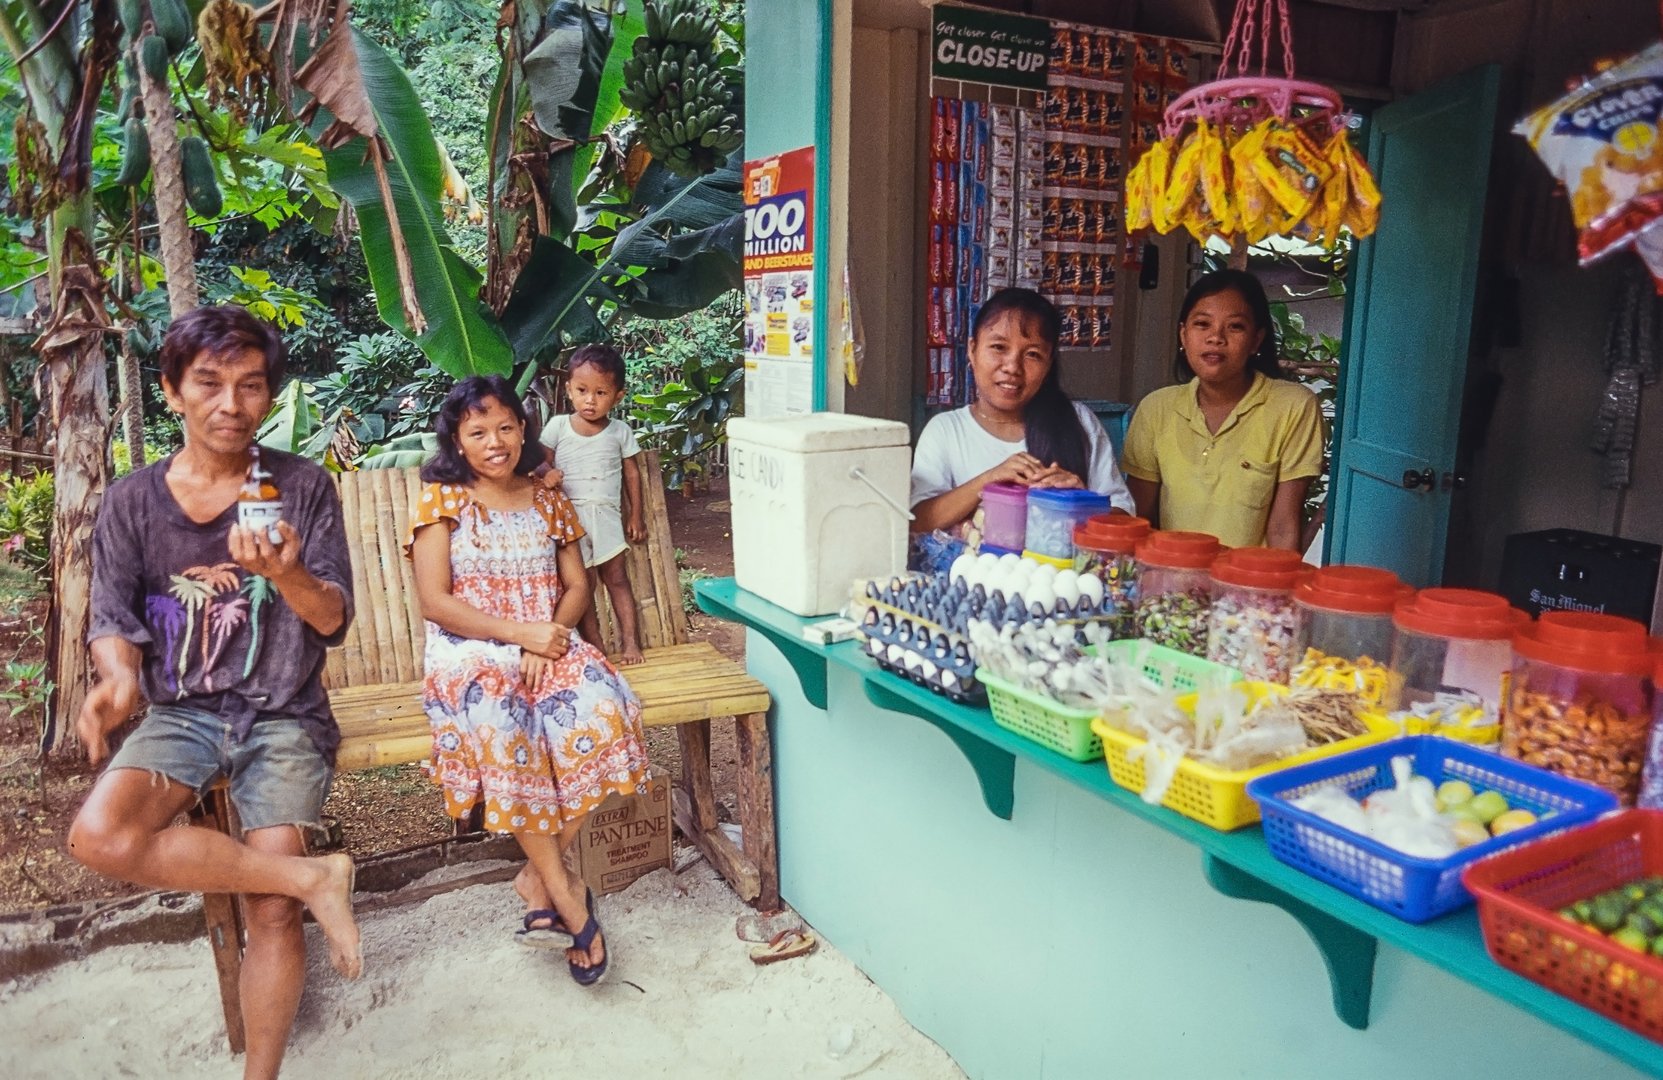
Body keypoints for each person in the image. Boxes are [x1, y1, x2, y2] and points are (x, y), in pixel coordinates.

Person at [68, 305, 362, 1080]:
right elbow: (113, 616)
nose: (231, 404)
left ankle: (257, 1075)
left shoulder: (300, 489)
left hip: (285, 716)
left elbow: (332, 620)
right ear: (172, 392)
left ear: (267, 397)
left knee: (266, 908)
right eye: (208, 384)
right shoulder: (134, 500)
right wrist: (118, 677)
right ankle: (314, 878)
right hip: (184, 715)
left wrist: (286, 574)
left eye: (250, 386)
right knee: (98, 836)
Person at [407, 375, 650, 987]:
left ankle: (534, 878)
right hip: (470, 649)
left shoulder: (548, 499)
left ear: (524, 429)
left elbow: (578, 585)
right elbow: (436, 602)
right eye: (478, 432)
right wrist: (520, 636)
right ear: (458, 441)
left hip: (549, 638)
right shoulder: (441, 500)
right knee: (499, 716)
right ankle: (569, 899)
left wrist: (551, 635)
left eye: (507, 427)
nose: (496, 442)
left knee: (604, 708)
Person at [1121, 269, 1325, 551]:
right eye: (1202, 324)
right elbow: (1137, 517)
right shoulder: (1156, 408)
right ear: (1183, 334)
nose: (1216, 337)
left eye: (1235, 326)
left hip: (1248, 586)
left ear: (1256, 340)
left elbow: (1282, 528)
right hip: (1171, 582)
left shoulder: (1293, 406)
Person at [910, 287, 1135, 535]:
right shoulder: (946, 430)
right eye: (998, 347)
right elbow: (916, 521)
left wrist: (1080, 503)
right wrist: (989, 480)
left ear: (1048, 364)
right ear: (972, 350)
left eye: (1032, 354)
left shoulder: (1078, 421)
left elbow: (1124, 517)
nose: (1012, 367)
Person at [536, 344, 647, 665]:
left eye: (601, 392)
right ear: (569, 389)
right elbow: (540, 462)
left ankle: (630, 643)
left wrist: (636, 515)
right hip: (571, 520)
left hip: (608, 516)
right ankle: (595, 645)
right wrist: (547, 473)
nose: (590, 400)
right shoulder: (558, 426)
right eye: (582, 390)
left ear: (618, 396)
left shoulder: (620, 432)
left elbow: (632, 473)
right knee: (581, 585)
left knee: (617, 579)